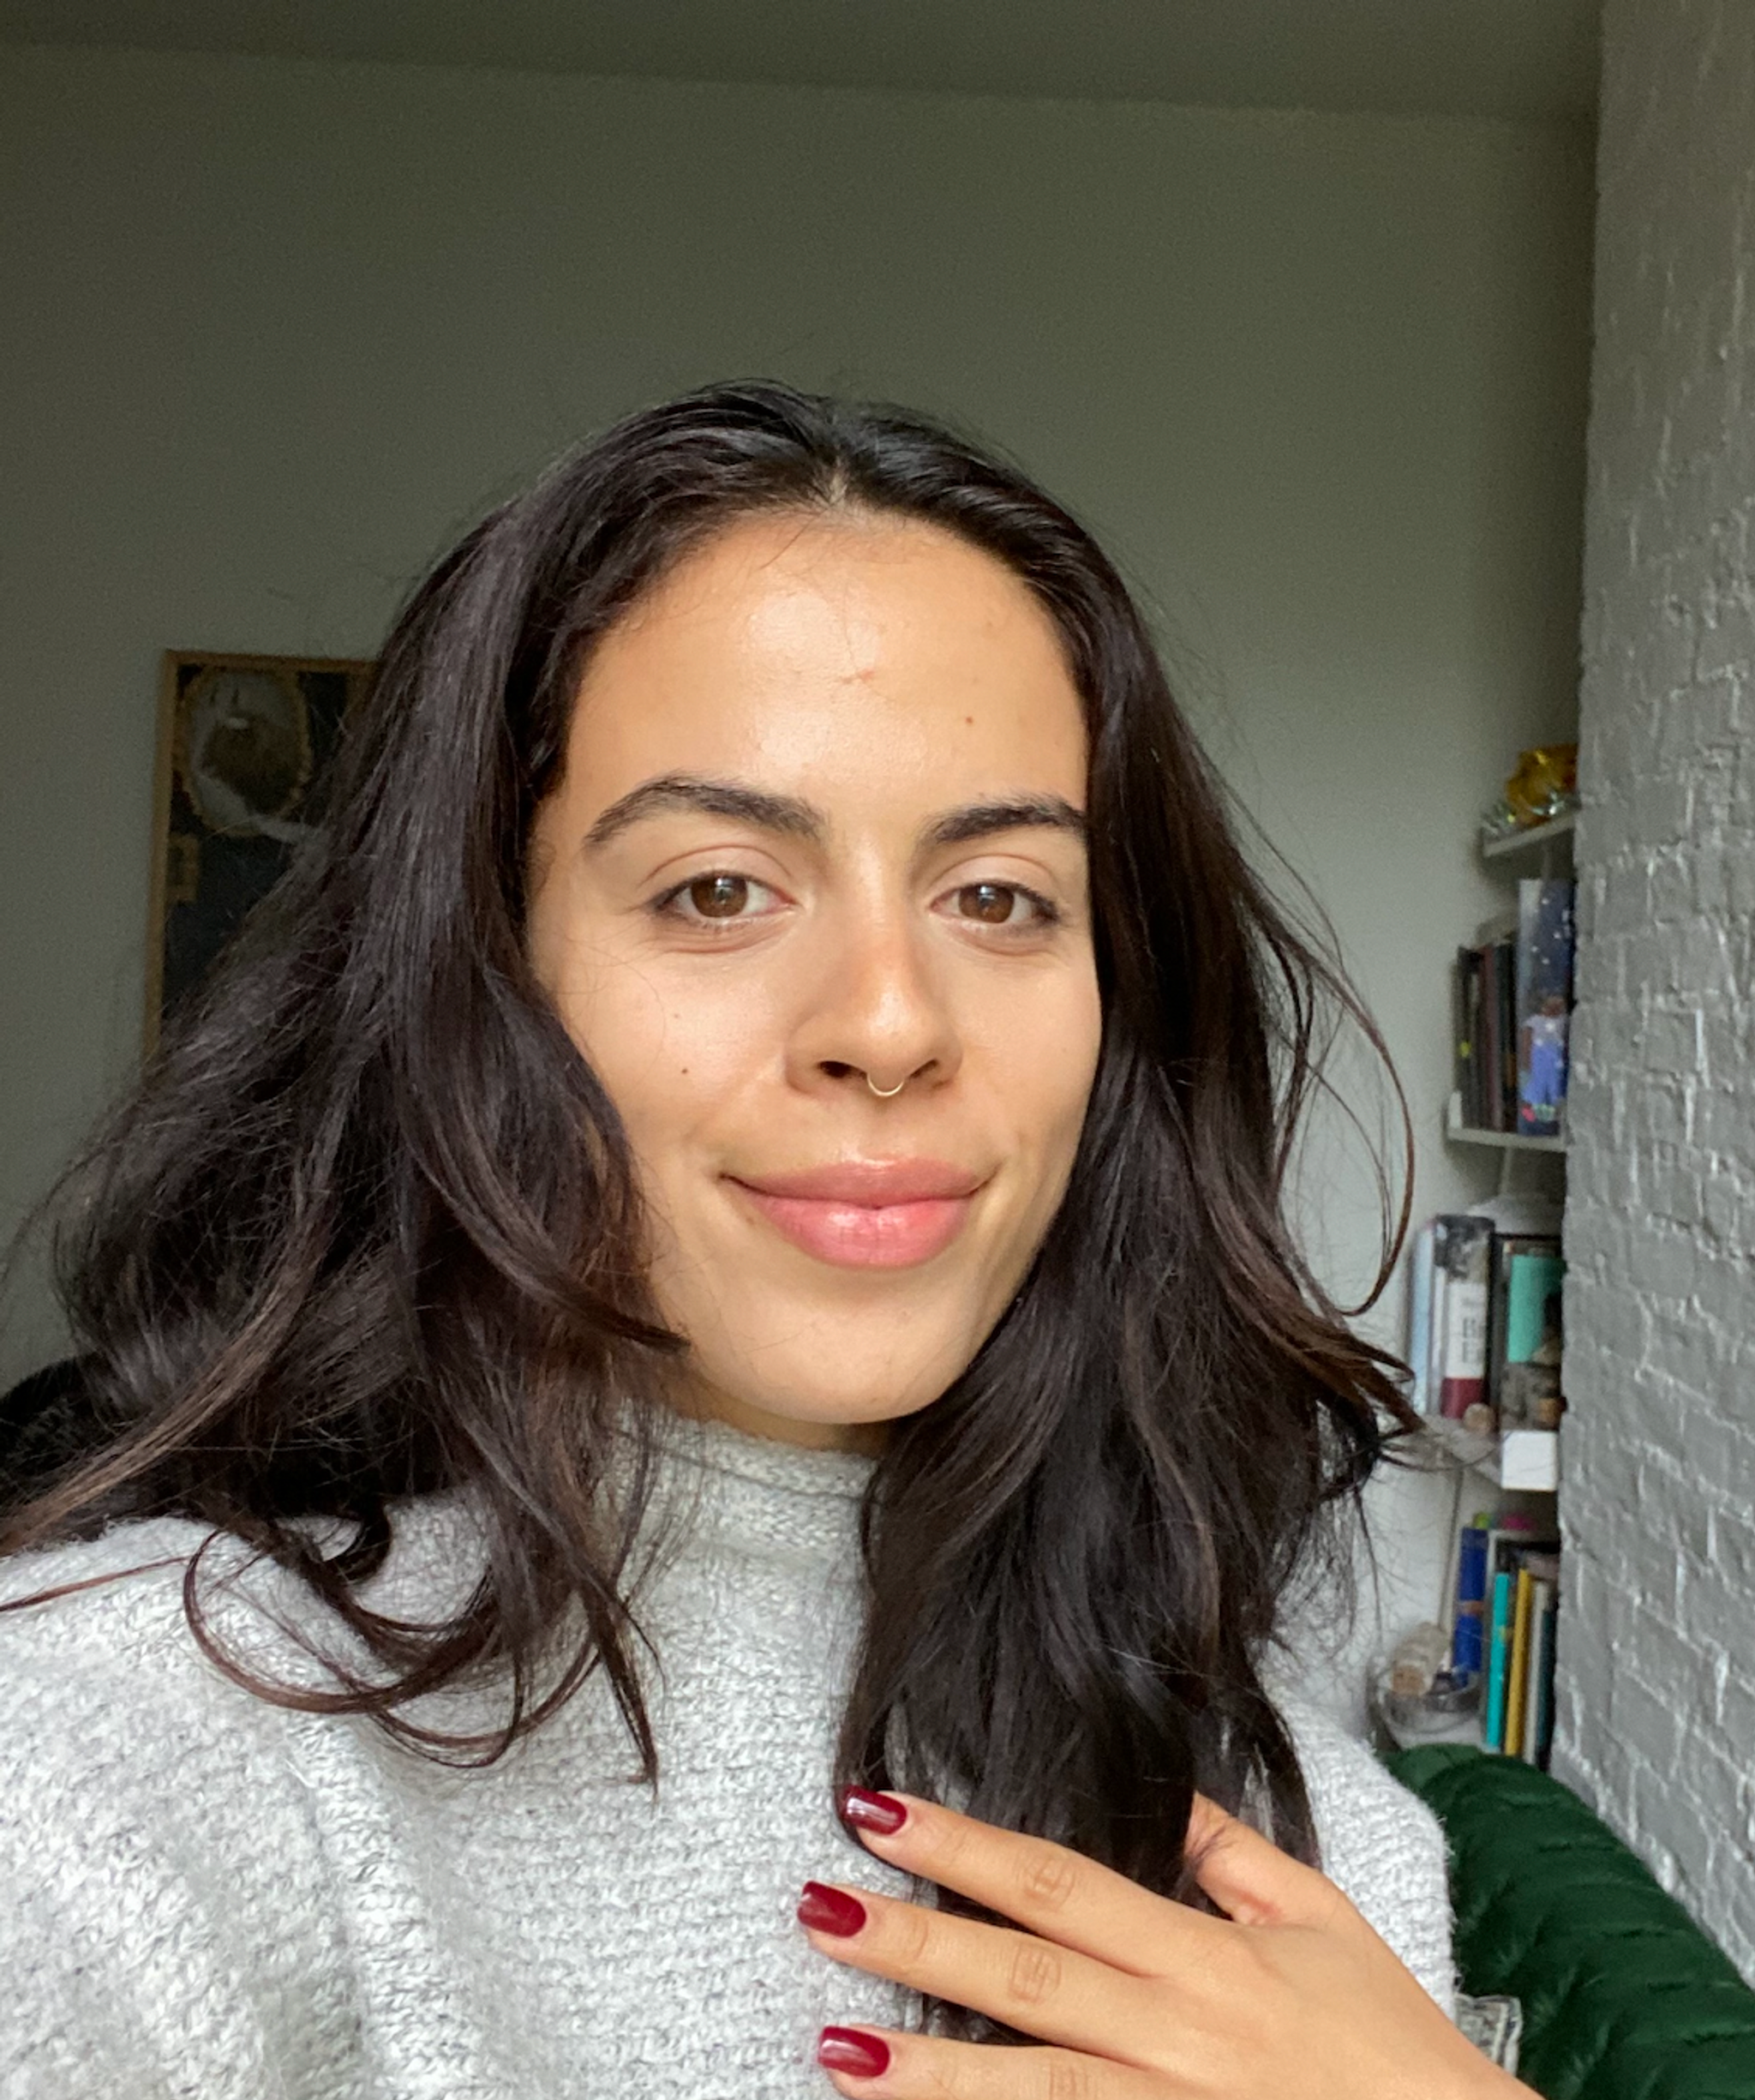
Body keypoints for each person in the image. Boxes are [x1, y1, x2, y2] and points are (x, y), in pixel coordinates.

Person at [0, 381, 1525, 2098]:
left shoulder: (1287, 1809)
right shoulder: (136, 1738)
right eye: (715, 888)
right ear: (481, 978)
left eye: (1000, 896)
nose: (886, 1020)